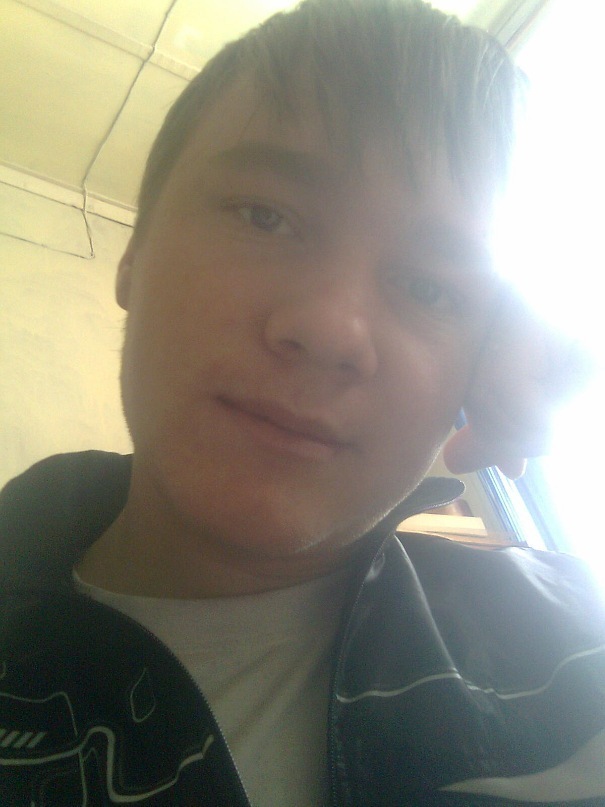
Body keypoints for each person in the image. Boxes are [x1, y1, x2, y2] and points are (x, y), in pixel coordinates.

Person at [1, 0, 603, 804]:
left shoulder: (571, 650)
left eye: (430, 287)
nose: (328, 329)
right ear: (134, 253)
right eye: (266, 216)